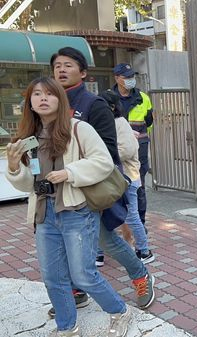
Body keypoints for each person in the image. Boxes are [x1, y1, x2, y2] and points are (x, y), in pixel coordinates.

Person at [5, 77, 132, 337]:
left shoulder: (78, 129)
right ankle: (67, 327)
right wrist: (14, 167)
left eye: (49, 94)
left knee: (83, 275)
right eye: (37, 94)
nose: (43, 98)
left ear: (60, 100)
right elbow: (29, 183)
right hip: (44, 213)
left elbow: (104, 162)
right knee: (53, 276)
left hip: (77, 212)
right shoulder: (30, 138)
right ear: (29, 101)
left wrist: (69, 173)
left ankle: (120, 311)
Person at [50, 47, 155, 315]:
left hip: (90, 187)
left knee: (105, 240)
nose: (61, 69)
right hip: (58, 188)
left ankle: (141, 274)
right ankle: (76, 289)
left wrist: (75, 170)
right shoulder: (50, 105)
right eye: (57, 65)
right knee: (64, 238)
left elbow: (109, 153)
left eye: (68, 65)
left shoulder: (92, 105)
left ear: (83, 73)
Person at [99, 89, 155, 264]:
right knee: (99, 216)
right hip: (109, 178)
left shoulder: (119, 123)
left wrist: (101, 157)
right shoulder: (104, 123)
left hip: (126, 179)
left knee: (131, 216)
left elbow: (127, 150)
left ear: (112, 107)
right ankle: (98, 253)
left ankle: (144, 251)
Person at [112, 63, 153, 228]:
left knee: (138, 188)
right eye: (126, 77)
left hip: (138, 150)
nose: (130, 80)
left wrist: (139, 139)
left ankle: (139, 226)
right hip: (116, 150)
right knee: (115, 188)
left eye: (131, 76)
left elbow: (149, 122)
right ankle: (119, 226)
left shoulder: (143, 97)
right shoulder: (107, 98)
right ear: (117, 78)